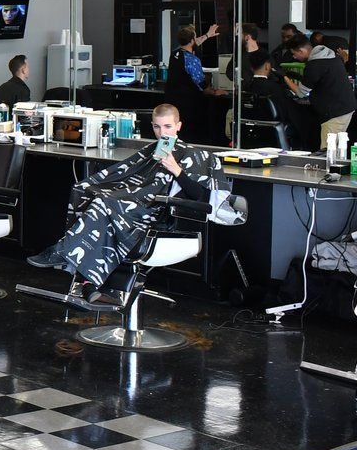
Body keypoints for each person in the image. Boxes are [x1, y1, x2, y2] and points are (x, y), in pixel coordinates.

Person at [26, 103, 221, 306]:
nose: (162, 133)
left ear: (179, 126)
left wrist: (176, 169)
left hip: (157, 215)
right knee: (86, 192)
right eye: (157, 127)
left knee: (105, 204)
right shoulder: (150, 151)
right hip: (132, 208)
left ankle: (63, 252)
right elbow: (127, 179)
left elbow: (200, 196)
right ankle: (88, 283)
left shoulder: (194, 155)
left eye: (168, 127)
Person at [287, 35, 357, 142]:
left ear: (301, 51)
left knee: (328, 150)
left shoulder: (314, 65)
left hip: (335, 112)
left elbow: (301, 93)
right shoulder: (329, 56)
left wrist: (284, 78)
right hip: (345, 107)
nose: (294, 57)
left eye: (294, 54)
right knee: (336, 147)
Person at [163, 23, 222, 142]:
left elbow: (193, 43)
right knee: (189, 133)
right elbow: (200, 82)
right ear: (191, 40)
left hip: (172, 99)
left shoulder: (175, 53)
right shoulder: (192, 59)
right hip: (188, 102)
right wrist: (215, 91)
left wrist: (207, 35)